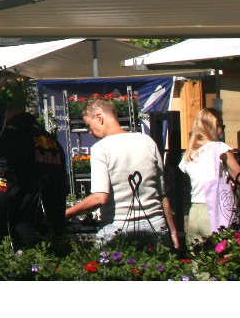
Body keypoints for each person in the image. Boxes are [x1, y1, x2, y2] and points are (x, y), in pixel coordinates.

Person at [64, 97, 178, 247]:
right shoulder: (147, 142)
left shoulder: (101, 148)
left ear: (99, 117)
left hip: (118, 227)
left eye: (88, 126)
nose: (90, 132)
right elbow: (162, 194)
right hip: (155, 225)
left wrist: (67, 213)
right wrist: (173, 231)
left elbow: (100, 197)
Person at [0, 104, 67, 247]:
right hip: (45, 231)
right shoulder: (50, 140)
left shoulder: (10, 137)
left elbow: (0, 184)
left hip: (12, 232)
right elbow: (58, 190)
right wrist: (57, 231)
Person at [179, 108, 240, 239]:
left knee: (196, 257)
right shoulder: (221, 148)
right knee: (222, 256)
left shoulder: (190, 154)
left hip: (194, 212)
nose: (222, 130)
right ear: (213, 126)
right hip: (214, 210)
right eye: (221, 126)